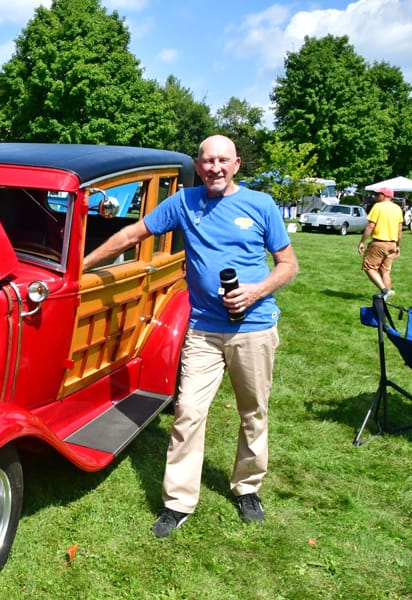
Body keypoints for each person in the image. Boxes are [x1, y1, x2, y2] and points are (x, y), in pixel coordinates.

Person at [82, 135, 298, 537]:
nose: (215, 167)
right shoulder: (184, 202)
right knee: (187, 412)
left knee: (253, 412)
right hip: (203, 329)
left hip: (254, 328)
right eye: (207, 161)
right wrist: (79, 267)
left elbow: (287, 264)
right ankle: (178, 502)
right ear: (198, 166)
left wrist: (256, 291)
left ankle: (247, 487)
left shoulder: (261, 205)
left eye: (223, 160)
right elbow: (131, 236)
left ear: (237, 165)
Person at [358, 187, 403, 300]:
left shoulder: (378, 207)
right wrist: (398, 246)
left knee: (369, 267)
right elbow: (399, 230)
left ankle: (385, 291)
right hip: (392, 244)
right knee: (385, 271)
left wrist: (362, 241)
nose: (376, 197)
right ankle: (385, 299)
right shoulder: (398, 209)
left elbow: (370, 226)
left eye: (378, 195)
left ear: (384, 195)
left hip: (379, 243)